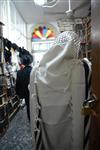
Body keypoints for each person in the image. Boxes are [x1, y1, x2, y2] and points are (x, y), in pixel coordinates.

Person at [29, 31, 88, 150]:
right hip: (69, 130)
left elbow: (33, 107)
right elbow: (78, 111)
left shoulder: (36, 70)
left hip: (44, 129)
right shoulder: (77, 68)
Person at [16, 51, 33, 121]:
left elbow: (18, 84)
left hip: (25, 93)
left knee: (28, 107)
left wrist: (18, 94)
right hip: (34, 93)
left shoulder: (19, 72)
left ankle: (30, 120)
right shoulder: (34, 70)